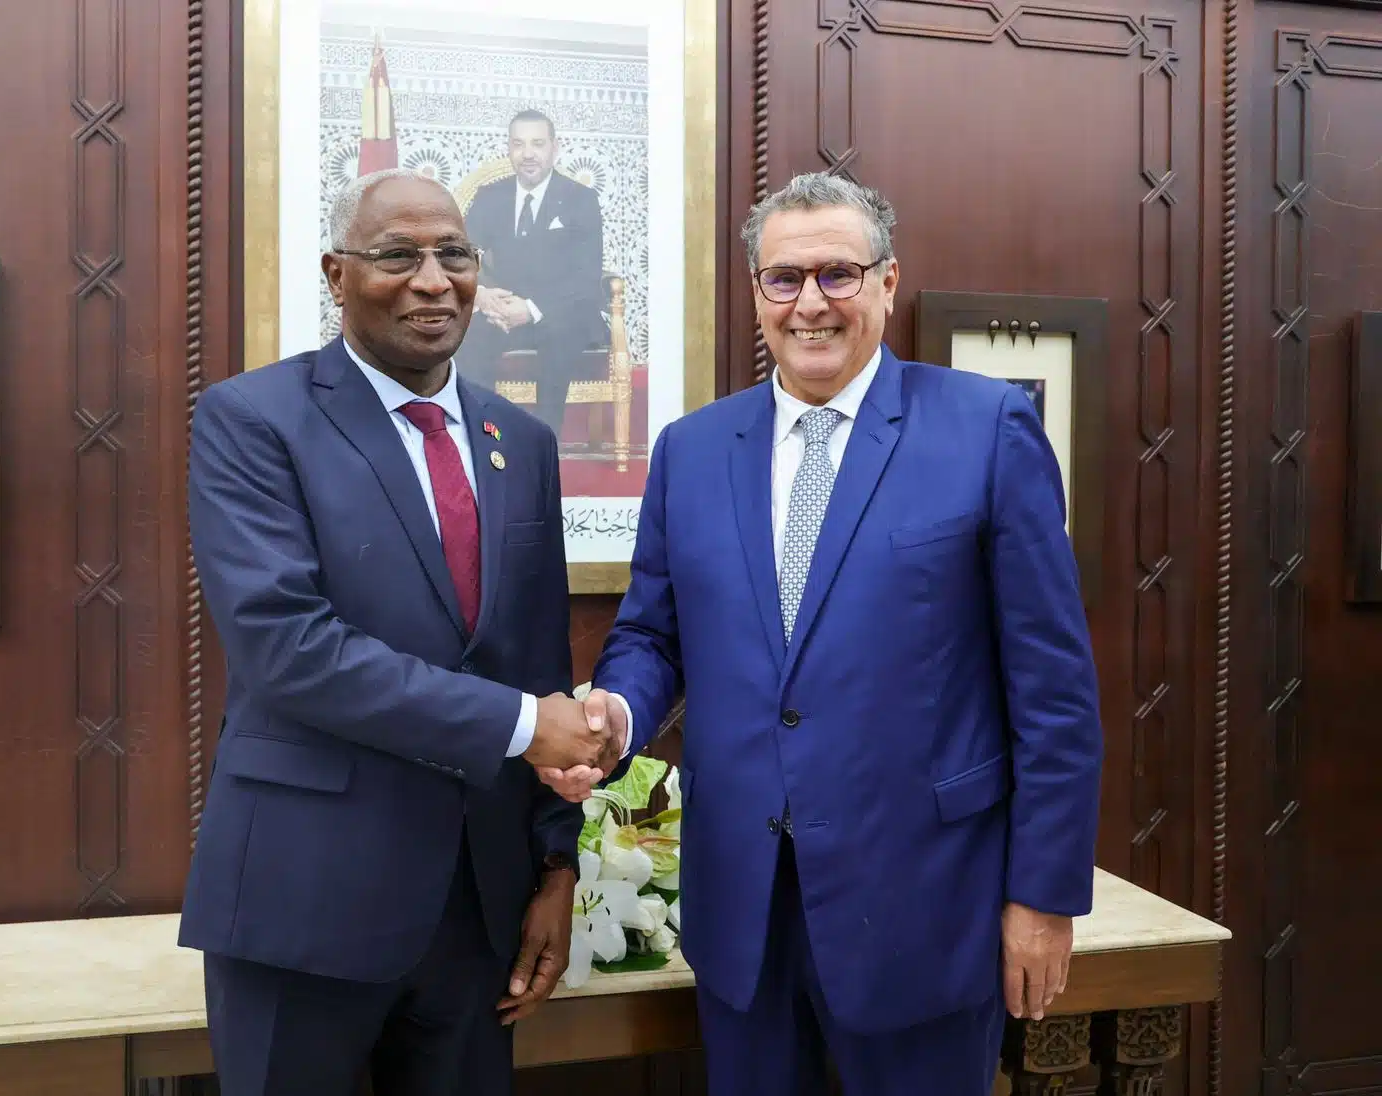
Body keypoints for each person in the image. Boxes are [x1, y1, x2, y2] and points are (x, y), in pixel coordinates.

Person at [555, 173, 1103, 1095]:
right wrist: (616, 712)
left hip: (925, 910)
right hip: (744, 916)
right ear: (757, 293)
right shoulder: (692, 450)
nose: (810, 302)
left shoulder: (986, 429)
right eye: (785, 278)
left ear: (888, 282)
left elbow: (1054, 691)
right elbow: (653, 635)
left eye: (837, 274)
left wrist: (1043, 898)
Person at [181, 167, 619, 1096]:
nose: (432, 280)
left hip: (478, 911)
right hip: (305, 902)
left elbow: (538, 662)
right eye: (397, 256)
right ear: (336, 275)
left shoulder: (521, 443)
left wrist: (555, 866)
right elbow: (289, 650)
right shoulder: (252, 420)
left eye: (453, 254)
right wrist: (519, 725)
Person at [458, 109, 605, 437]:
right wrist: (482, 296)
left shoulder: (580, 199)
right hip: (502, 312)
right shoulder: (490, 197)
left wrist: (531, 309)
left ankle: (543, 444)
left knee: (560, 334)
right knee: (468, 335)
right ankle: (485, 437)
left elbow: (585, 278)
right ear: (509, 149)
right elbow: (461, 255)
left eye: (537, 144)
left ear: (555, 148)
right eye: (518, 144)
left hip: (560, 313)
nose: (528, 154)